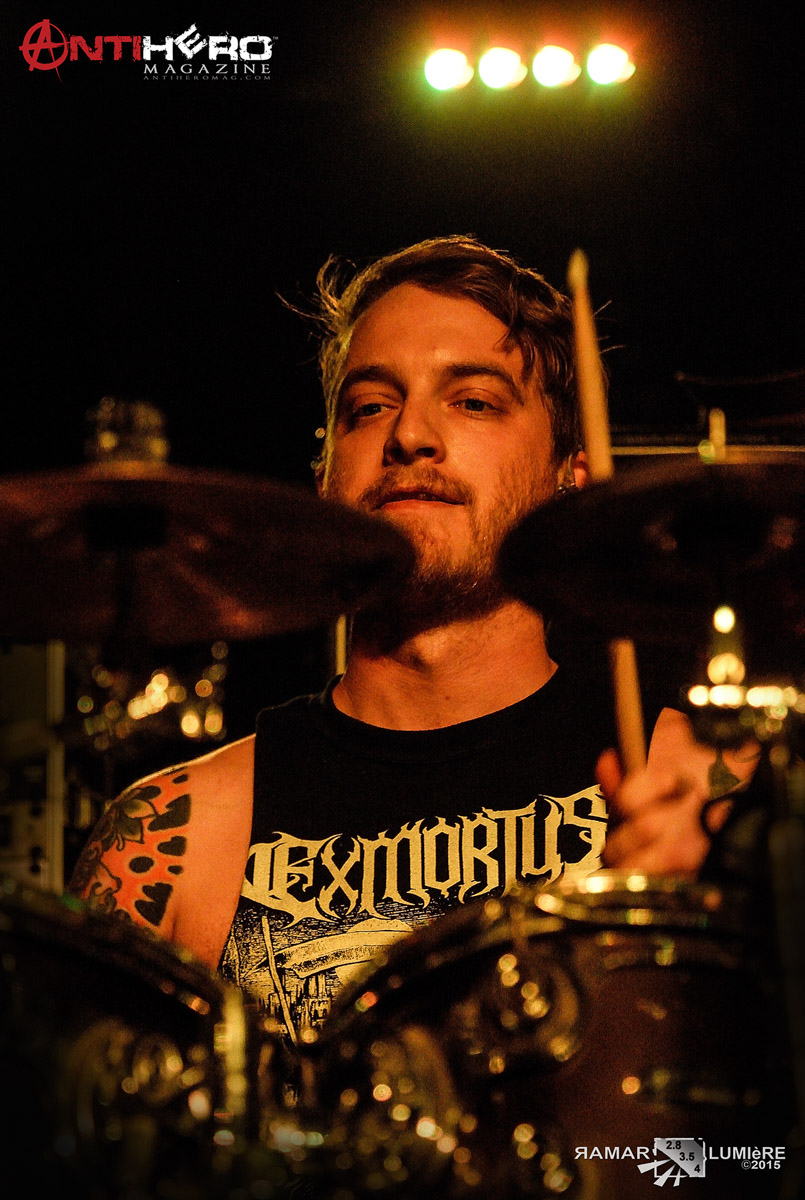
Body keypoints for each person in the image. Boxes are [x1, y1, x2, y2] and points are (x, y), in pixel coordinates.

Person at [68, 236, 757, 1046]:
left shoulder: (708, 791)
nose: (409, 436)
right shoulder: (172, 841)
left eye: (473, 401)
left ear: (568, 479)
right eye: (369, 407)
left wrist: (715, 920)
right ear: (325, 474)